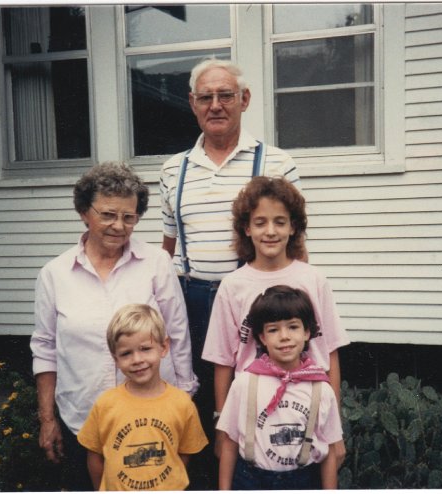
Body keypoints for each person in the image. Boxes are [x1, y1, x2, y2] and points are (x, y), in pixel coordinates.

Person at [158, 58, 302, 487]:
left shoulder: (277, 163)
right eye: (206, 97)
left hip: (258, 297)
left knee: (261, 393)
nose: (216, 105)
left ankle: (258, 477)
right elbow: (168, 247)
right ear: (192, 103)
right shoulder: (172, 169)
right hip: (193, 300)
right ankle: (204, 481)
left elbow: (295, 245)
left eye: (225, 95)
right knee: (199, 396)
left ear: (245, 100)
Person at [31, 162, 197, 490]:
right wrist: (47, 419)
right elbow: (45, 348)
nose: (118, 226)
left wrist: (184, 400)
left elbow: (177, 335)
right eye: (108, 214)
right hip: (83, 417)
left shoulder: (156, 263)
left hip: (151, 420)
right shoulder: (54, 274)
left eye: (129, 217)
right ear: (83, 211)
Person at [203, 176, 349, 462]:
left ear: (293, 227)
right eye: (260, 222)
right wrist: (223, 428)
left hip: (309, 410)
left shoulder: (313, 279)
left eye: (280, 222)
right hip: (253, 413)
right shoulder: (233, 286)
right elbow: (223, 361)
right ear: (246, 228)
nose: (270, 231)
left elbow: (329, 351)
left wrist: (336, 429)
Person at [217, 285, 342, 490]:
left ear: (307, 332)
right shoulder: (245, 383)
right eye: (273, 329)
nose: (284, 336)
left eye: (293, 327)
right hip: (251, 480)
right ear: (263, 338)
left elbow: (328, 449)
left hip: (303, 481)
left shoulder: (320, 388)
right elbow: (229, 443)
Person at [78, 304, 208, 491]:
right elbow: (94, 456)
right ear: (116, 359)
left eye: (145, 349)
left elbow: (184, 453)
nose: (137, 359)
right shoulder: (105, 404)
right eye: (126, 353)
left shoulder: (182, 403)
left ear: (163, 347)